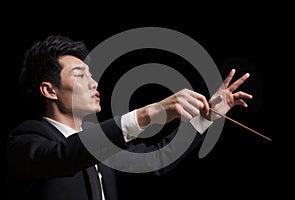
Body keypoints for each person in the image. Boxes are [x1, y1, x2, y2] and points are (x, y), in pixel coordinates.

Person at [5, 35, 252, 200]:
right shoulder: (26, 139)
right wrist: (146, 114)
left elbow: (158, 157)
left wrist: (206, 116)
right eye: (81, 75)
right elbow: (63, 156)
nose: (94, 83)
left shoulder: (100, 151)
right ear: (49, 90)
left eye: (92, 75)